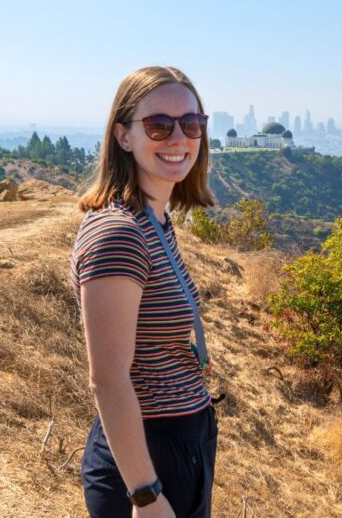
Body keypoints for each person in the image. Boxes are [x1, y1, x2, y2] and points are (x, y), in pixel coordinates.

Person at [70, 66, 218, 517]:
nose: (179, 137)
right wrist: (146, 495)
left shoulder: (153, 219)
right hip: (149, 459)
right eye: (158, 124)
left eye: (191, 123)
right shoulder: (119, 233)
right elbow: (108, 377)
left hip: (178, 443)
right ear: (123, 136)